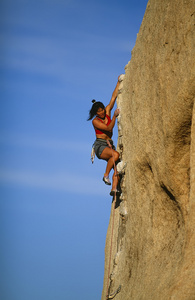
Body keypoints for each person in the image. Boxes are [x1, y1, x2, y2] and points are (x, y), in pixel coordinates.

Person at [88, 76, 121, 196]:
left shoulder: (107, 111)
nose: (101, 113)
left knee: (117, 168)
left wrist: (118, 82)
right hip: (100, 146)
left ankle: (114, 188)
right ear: (95, 113)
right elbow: (108, 128)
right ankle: (105, 175)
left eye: (102, 110)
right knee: (116, 155)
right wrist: (114, 117)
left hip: (109, 144)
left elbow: (113, 97)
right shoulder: (95, 121)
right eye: (98, 112)